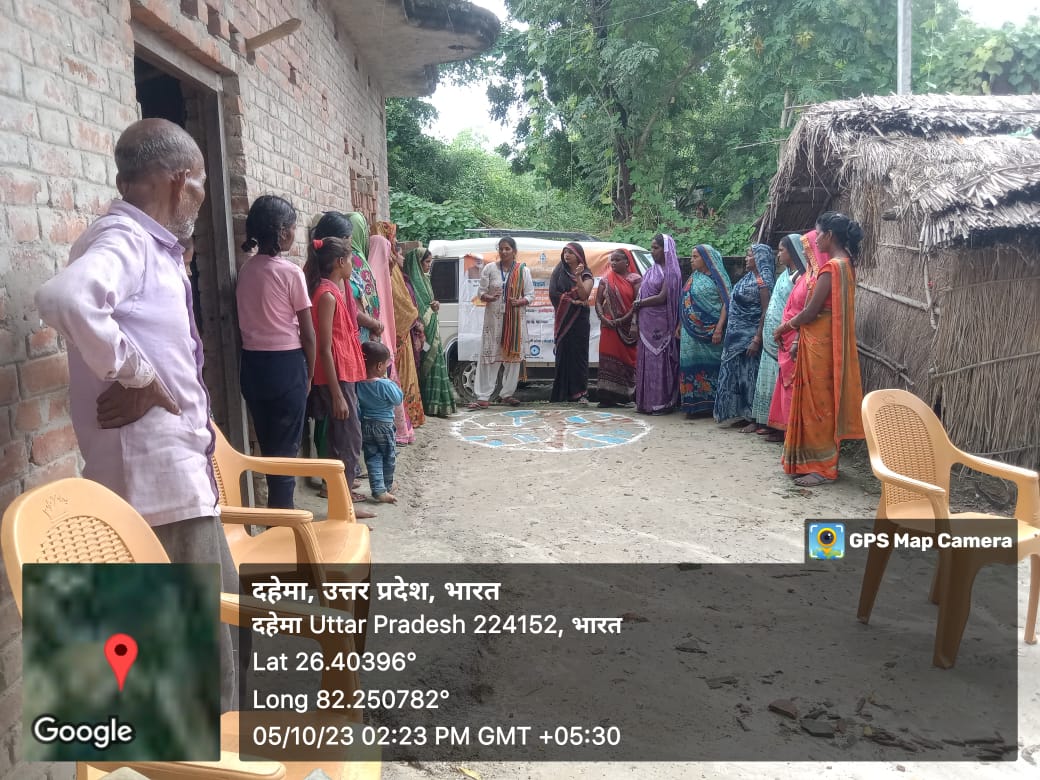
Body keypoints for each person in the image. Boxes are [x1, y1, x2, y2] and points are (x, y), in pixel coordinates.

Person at [34, 118, 236, 712]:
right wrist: (138, 376)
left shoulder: (148, 246)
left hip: (176, 484)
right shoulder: (126, 238)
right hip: (158, 492)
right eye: (201, 184)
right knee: (192, 671)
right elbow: (65, 298)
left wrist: (143, 375)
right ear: (179, 180)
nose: (201, 197)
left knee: (208, 639)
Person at [235, 195, 316, 509]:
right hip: (286, 367)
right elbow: (308, 334)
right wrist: (308, 375)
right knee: (286, 453)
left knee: (270, 451)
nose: (294, 233)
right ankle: (283, 521)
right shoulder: (290, 272)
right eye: (293, 227)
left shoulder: (245, 271)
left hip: (252, 367)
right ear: (282, 232)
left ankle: (277, 518)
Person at [774, 212, 865, 487]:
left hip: (820, 348)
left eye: (818, 234)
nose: (816, 241)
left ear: (829, 235)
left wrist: (784, 328)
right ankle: (810, 462)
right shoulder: (846, 265)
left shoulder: (831, 269)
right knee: (819, 405)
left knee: (818, 408)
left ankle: (823, 468)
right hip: (823, 344)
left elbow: (810, 312)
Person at [303, 235, 377, 520]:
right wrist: (336, 395)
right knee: (348, 441)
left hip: (343, 375)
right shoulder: (326, 295)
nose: (352, 267)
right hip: (336, 378)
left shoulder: (333, 290)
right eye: (349, 261)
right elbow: (323, 348)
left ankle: (341, 505)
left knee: (342, 440)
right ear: (339, 262)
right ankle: (344, 509)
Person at [713, 243, 775, 430]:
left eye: (750, 255)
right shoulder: (747, 278)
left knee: (750, 377)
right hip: (735, 337)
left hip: (749, 337)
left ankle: (754, 418)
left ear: (760, 258)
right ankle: (743, 414)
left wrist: (757, 338)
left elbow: (765, 312)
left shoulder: (763, 282)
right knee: (739, 377)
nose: (746, 259)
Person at [468, 236, 534, 409]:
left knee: (512, 358)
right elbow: (481, 292)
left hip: (515, 321)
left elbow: (530, 295)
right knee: (490, 356)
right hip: (493, 321)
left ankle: (507, 394)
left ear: (514, 251)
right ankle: (483, 396)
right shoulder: (490, 268)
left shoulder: (523, 271)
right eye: (501, 248)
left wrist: (519, 301)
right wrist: (489, 297)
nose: (504, 252)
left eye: (507, 249)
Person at [751, 235, 804, 440]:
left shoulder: (801, 277)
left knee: (783, 384)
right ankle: (770, 422)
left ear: (794, 251)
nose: (778, 254)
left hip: (787, 338)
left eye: (782, 250)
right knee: (771, 382)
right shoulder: (785, 274)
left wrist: (786, 330)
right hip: (773, 338)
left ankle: (783, 428)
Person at [368, 224, 415, 444]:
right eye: (390, 252)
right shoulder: (372, 278)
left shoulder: (387, 276)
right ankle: (394, 432)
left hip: (384, 336)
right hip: (379, 339)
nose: (394, 258)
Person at [767, 233, 816, 437]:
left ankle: (793, 432)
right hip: (786, 337)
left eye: (807, 248)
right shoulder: (804, 278)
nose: (804, 252)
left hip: (795, 336)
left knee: (793, 385)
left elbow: (806, 311)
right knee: (785, 384)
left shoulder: (812, 280)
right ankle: (785, 429)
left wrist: (789, 332)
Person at [678, 244, 732, 418]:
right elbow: (685, 301)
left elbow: (726, 303)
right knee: (690, 363)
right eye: (691, 257)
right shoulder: (693, 277)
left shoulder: (719, 278)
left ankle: (711, 404)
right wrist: (680, 324)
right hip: (690, 331)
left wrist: (719, 328)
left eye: (695, 257)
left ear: (707, 258)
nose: (691, 260)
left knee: (713, 364)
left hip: (712, 331)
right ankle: (692, 405)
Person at [405, 247, 457, 417]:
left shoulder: (425, 280)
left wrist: (435, 305)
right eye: (427, 262)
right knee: (427, 362)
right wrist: (431, 308)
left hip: (432, 329)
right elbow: (417, 309)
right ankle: (429, 405)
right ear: (417, 263)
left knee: (437, 362)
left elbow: (430, 302)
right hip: (422, 333)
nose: (429, 265)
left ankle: (439, 405)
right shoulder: (411, 283)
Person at [633, 233, 681, 415]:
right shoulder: (650, 270)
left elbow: (662, 297)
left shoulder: (671, 272)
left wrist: (640, 303)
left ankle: (661, 403)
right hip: (646, 323)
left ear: (665, 250)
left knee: (659, 361)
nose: (652, 251)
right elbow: (641, 292)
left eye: (656, 248)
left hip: (661, 325)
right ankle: (645, 402)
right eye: (651, 248)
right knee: (645, 360)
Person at [356, 340, 404, 504]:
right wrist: (392, 383)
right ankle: (387, 486)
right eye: (385, 365)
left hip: (366, 425)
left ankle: (378, 489)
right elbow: (398, 399)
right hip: (384, 426)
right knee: (388, 456)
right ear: (379, 366)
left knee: (373, 457)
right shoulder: (385, 384)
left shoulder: (359, 384)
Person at [594, 249, 641, 407]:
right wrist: (603, 318)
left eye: (617, 260)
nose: (613, 263)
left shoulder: (635, 279)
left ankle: (627, 396)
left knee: (627, 360)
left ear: (627, 262)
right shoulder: (606, 280)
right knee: (607, 358)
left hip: (627, 328)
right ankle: (607, 397)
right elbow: (598, 302)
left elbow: (637, 304)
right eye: (612, 260)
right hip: (609, 326)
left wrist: (623, 320)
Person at [549, 242, 594, 404]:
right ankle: (561, 394)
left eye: (570, 252)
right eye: (565, 252)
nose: (567, 255)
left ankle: (580, 393)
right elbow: (553, 294)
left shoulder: (586, 273)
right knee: (563, 355)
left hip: (579, 320)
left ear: (579, 256)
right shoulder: (559, 271)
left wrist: (578, 277)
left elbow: (584, 295)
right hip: (564, 319)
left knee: (578, 356)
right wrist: (571, 302)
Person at [388, 240, 427, 428]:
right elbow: (402, 307)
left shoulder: (401, 277)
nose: (402, 257)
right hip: (400, 333)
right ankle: (403, 418)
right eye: (399, 253)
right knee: (402, 375)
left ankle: (408, 416)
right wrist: (414, 317)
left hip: (407, 332)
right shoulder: (393, 278)